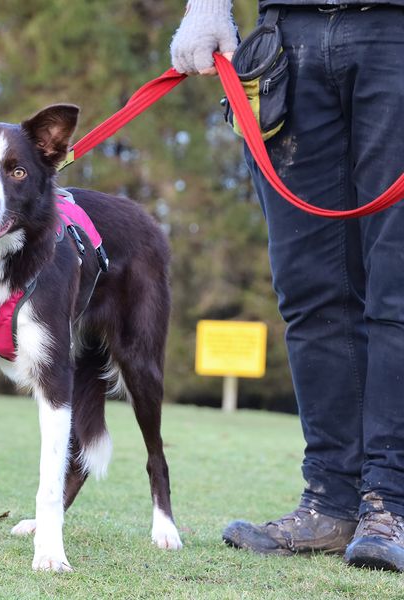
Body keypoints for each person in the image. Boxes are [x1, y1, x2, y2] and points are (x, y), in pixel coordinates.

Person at [170, 0, 404, 571]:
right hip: (288, 33)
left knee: (397, 285)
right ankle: (331, 501)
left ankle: (391, 503)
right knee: (309, 287)